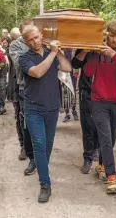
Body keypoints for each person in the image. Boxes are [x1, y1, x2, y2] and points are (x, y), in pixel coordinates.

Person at [19, 25, 72, 203]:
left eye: (36, 37)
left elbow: (67, 68)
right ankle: (45, 184)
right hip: (33, 108)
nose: (35, 41)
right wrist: (51, 53)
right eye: (30, 39)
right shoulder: (24, 58)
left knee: (48, 145)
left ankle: (41, 167)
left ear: (41, 35)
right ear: (26, 42)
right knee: (39, 144)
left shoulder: (52, 53)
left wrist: (58, 52)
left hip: (52, 107)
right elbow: (37, 72)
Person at [84, 20, 116, 194]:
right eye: (111, 36)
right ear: (106, 35)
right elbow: (88, 72)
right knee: (105, 139)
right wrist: (94, 53)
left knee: (110, 140)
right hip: (98, 101)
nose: (114, 40)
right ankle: (112, 177)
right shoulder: (99, 48)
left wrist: (113, 54)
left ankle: (101, 166)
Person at [9, 19, 36, 175]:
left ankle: (37, 155)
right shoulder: (16, 45)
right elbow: (21, 64)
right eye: (27, 31)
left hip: (39, 87)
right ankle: (26, 149)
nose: (31, 35)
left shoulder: (39, 40)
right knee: (24, 121)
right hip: (24, 87)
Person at [71, 49, 100, 174]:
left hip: (102, 93)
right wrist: (86, 50)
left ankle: (96, 148)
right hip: (86, 92)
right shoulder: (83, 47)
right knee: (87, 124)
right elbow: (75, 64)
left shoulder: (106, 47)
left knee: (99, 124)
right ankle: (87, 157)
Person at [7, 27, 26, 160]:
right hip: (15, 86)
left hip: (24, 86)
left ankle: (27, 146)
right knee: (19, 117)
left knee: (24, 117)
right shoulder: (13, 47)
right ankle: (23, 146)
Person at [62, 49, 79, 122]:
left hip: (74, 72)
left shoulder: (75, 48)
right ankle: (67, 113)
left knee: (73, 91)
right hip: (64, 72)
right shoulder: (63, 47)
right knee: (65, 91)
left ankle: (74, 110)